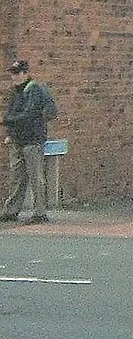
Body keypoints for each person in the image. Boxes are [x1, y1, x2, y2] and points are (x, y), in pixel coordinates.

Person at [3, 59, 57, 224]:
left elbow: (30, 114)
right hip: (18, 139)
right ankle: (11, 210)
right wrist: (10, 133)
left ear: (25, 73)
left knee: (36, 176)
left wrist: (10, 121)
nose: (14, 77)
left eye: (17, 73)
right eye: (12, 73)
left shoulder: (35, 89)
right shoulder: (16, 92)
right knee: (16, 176)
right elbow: (12, 114)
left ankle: (40, 212)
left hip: (33, 139)